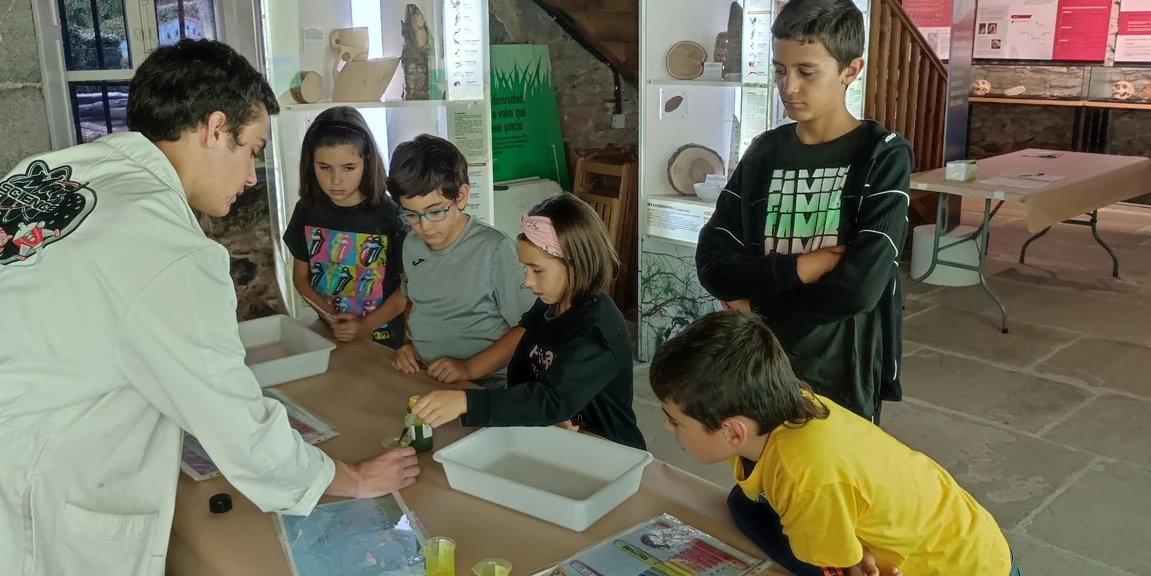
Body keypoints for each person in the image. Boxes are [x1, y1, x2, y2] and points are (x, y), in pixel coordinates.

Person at [0, 40, 419, 576]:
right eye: (251, 149)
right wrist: (351, 479)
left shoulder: (44, 176)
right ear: (215, 129)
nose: (251, 177)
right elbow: (236, 424)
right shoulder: (164, 244)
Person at [650, 311, 1020, 576]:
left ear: (733, 432)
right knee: (743, 505)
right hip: (964, 536)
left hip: (960, 566)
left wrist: (840, 563)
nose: (667, 426)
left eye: (676, 420)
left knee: (754, 514)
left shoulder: (804, 474)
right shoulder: (790, 403)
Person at [694, 0, 913, 422]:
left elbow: (859, 288)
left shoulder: (881, 157)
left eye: (806, 72)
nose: (789, 87)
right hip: (757, 366)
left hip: (842, 375)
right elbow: (712, 264)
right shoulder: (764, 152)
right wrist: (802, 268)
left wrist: (756, 304)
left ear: (851, 70)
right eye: (780, 70)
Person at [410, 194, 646, 449]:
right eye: (525, 269)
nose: (528, 281)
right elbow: (524, 342)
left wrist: (467, 402)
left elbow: (553, 400)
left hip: (607, 449)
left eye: (537, 270)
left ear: (575, 265)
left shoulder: (596, 332)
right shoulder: (551, 302)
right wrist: (536, 414)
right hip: (555, 438)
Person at [383, 134, 536, 389]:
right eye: (411, 215)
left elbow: (529, 327)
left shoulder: (495, 249)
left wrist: (469, 368)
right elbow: (415, 300)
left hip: (485, 385)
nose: (424, 226)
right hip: (427, 376)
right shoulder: (411, 244)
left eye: (435, 211)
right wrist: (408, 345)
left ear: (461, 196)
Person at [283, 106, 408, 348]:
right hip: (330, 337)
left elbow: (408, 289)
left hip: (385, 345)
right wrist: (333, 318)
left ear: (367, 163)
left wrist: (365, 326)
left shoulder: (391, 215)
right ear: (311, 165)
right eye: (324, 167)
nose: (336, 179)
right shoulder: (306, 210)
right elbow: (300, 279)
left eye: (349, 168)